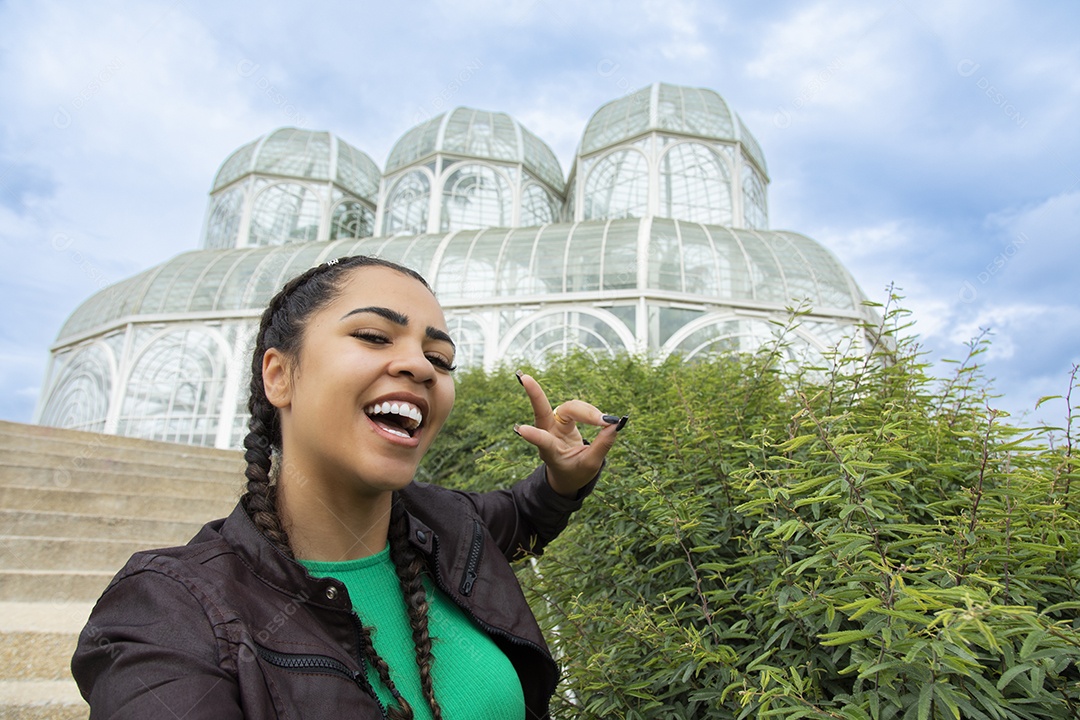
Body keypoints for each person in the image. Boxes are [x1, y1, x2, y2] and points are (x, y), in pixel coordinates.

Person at [71, 255, 626, 719]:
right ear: (279, 376)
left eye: (440, 358)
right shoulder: (171, 613)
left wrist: (564, 476)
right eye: (372, 336)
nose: (421, 367)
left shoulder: (449, 528)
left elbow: (526, 516)